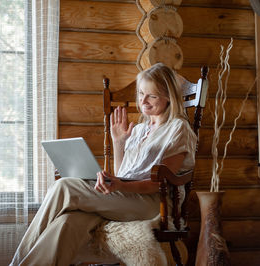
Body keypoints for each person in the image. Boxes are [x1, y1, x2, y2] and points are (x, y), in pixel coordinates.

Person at [10, 63, 197, 266]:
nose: (143, 100)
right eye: (141, 93)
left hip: (154, 203)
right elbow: (124, 172)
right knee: (67, 223)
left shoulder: (178, 128)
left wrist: (120, 186)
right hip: (128, 197)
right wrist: (119, 143)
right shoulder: (140, 130)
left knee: (64, 186)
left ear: (168, 96)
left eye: (152, 96)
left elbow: (157, 183)